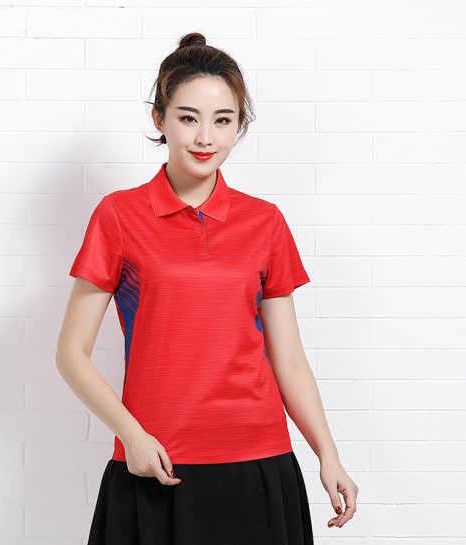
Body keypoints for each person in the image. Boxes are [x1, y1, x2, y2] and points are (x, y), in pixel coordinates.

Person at [56, 31, 358, 545]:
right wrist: (132, 435)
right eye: (188, 118)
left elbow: (288, 360)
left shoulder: (265, 223)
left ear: (239, 126)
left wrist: (327, 454)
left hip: (259, 459)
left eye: (223, 121)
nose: (205, 138)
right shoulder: (119, 216)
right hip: (156, 460)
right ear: (160, 119)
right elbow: (71, 352)